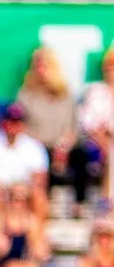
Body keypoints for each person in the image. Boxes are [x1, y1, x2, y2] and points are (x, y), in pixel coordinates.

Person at [18, 46, 90, 204]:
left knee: (81, 156)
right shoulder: (26, 95)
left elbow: (74, 124)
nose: (40, 70)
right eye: (37, 65)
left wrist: (64, 145)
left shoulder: (65, 94)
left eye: (44, 65)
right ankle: (44, 203)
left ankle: (80, 203)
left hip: (64, 144)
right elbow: (23, 127)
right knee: (43, 158)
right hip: (39, 144)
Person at [0, 103, 50, 220]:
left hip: (22, 191)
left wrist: (21, 190)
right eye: (10, 121)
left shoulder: (34, 146)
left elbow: (39, 178)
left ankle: (37, 235)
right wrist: (7, 190)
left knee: (39, 198)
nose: (13, 126)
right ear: (2, 122)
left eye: (17, 122)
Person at [76, 45, 114, 200]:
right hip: (96, 142)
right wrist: (104, 142)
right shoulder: (95, 91)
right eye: (109, 66)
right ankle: (109, 201)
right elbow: (89, 124)